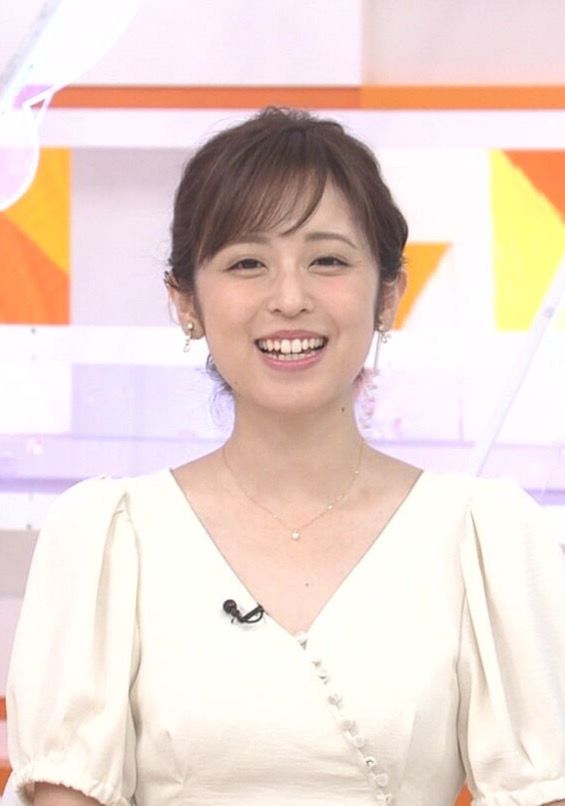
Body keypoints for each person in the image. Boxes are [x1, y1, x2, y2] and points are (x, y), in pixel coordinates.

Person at [6, 107, 565, 806]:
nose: (290, 299)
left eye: (327, 260)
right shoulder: (108, 535)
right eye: (248, 263)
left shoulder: (481, 533)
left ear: (388, 292)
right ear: (185, 301)